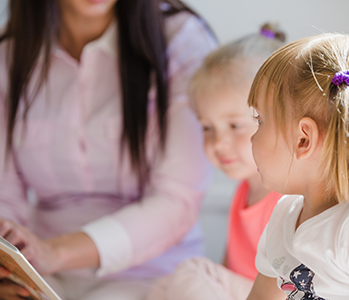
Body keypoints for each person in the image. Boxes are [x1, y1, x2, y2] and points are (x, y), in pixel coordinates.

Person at [0, 0, 217, 299]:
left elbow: (177, 200)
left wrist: (54, 251)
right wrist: (10, 261)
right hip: (41, 273)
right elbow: (4, 198)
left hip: (152, 275)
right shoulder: (9, 53)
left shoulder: (180, 39)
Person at [147, 24, 284, 300]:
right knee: (161, 288)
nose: (218, 143)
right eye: (207, 128)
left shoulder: (285, 199)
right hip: (241, 290)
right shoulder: (244, 191)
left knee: (192, 272)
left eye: (234, 126)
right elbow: (228, 267)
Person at [246, 33, 349, 300]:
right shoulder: (283, 217)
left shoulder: (343, 231)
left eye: (260, 120)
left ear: (303, 139)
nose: (252, 137)